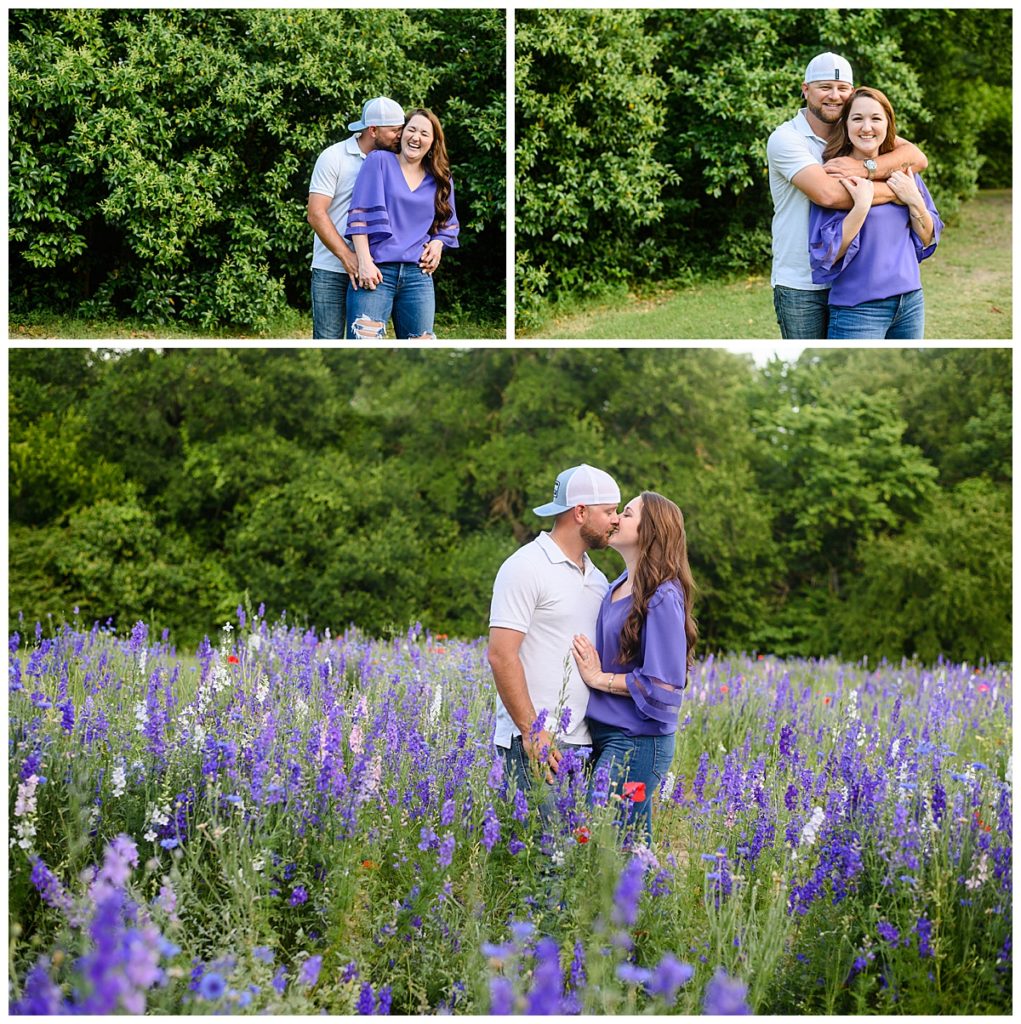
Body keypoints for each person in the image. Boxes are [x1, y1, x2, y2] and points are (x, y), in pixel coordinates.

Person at [488, 464, 621, 817]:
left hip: (583, 745)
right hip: (534, 742)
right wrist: (533, 732)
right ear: (580, 512)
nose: (616, 520)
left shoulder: (598, 578)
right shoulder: (525, 566)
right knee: (537, 862)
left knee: (567, 861)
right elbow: (501, 655)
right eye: (608, 511)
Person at [767, 53, 927, 339]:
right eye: (824, 87)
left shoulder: (857, 132)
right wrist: (900, 190)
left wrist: (865, 167)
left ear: (851, 92)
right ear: (805, 90)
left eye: (842, 89)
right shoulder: (787, 139)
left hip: (852, 280)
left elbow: (916, 157)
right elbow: (829, 195)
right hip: (803, 284)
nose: (834, 96)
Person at [571, 492, 696, 845]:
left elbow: (664, 683)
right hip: (602, 733)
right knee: (613, 845)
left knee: (620, 847)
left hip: (638, 739)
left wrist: (599, 679)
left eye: (626, 513)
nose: (615, 519)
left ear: (650, 531)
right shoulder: (615, 587)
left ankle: (643, 902)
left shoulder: (663, 594)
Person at [808, 87, 942, 338]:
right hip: (858, 311)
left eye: (876, 118)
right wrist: (860, 207)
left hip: (910, 303)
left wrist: (914, 200)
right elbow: (829, 252)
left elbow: (926, 237)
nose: (867, 127)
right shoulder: (835, 172)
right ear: (846, 125)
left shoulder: (904, 170)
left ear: (888, 124)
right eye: (857, 118)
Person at [345, 108, 460, 340]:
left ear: (433, 142)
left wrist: (438, 243)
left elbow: (448, 223)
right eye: (412, 129)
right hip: (377, 272)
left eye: (425, 133)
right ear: (402, 133)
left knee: (421, 348)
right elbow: (359, 216)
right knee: (364, 345)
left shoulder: (440, 178)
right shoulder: (379, 161)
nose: (416, 137)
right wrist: (364, 262)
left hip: (418, 276)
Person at [307, 96, 406, 340]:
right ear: (373, 130)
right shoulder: (334, 157)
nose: (400, 136)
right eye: (394, 130)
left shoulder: (397, 160)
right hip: (331, 268)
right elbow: (316, 213)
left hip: (374, 266)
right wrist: (348, 257)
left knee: (365, 340)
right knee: (327, 340)